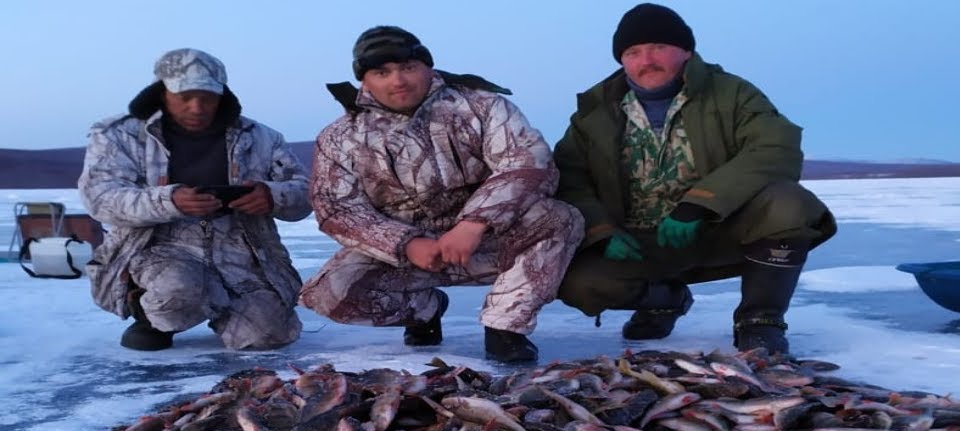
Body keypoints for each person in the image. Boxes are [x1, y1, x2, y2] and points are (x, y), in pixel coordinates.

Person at [554, 3, 837, 355]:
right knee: (575, 281)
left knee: (788, 205)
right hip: (639, 241)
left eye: (659, 47)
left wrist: (701, 203)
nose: (647, 60)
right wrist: (601, 230)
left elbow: (775, 147)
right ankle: (662, 301)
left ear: (686, 51)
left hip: (719, 226)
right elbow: (570, 177)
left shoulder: (732, 94)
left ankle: (760, 322)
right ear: (622, 60)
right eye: (633, 52)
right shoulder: (594, 113)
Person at [301, 25, 584, 363]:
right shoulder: (339, 137)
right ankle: (425, 311)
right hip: (411, 256)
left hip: (486, 242)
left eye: (408, 67)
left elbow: (528, 160)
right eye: (382, 72)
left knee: (559, 219)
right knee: (327, 294)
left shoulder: (482, 106)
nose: (398, 81)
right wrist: (406, 243)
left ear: (427, 68)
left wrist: (474, 223)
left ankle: (505, 329)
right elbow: (336, 209)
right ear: (365, 80)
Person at [79, 49, 310, 351]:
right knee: (178, 290)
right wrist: (170, 201)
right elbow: (100, 197)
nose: (197, 107)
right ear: (163, 91)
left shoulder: (261, 138)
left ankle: (222, 307)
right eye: (185, 96)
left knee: (267, 337)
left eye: (208, 97)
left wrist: (271, 196)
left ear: (222, 94)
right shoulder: (119, 135)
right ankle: (148, 309)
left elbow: (306, 191)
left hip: (241, 249)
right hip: (159, 247)